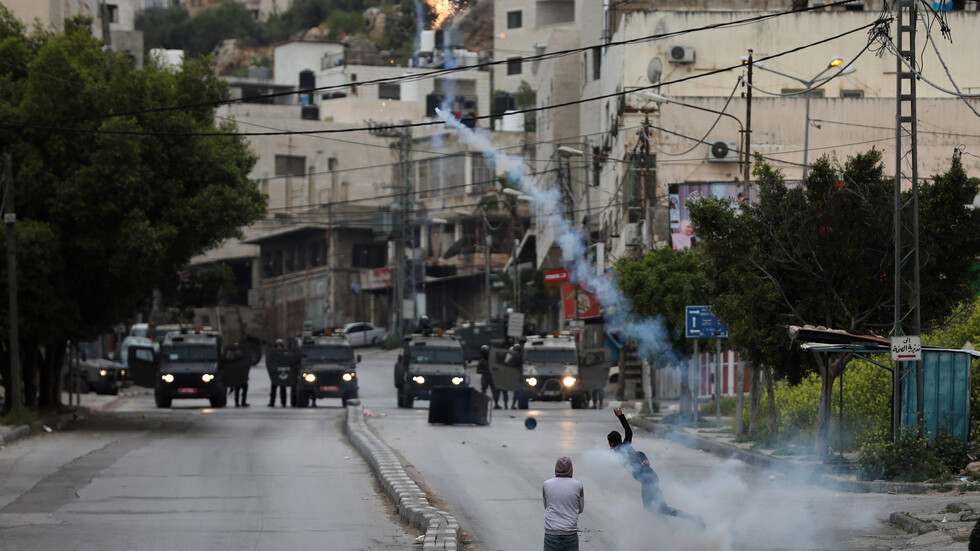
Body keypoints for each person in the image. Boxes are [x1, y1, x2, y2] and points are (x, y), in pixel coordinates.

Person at [608, 408, 704, 528]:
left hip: (648, 480)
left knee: (657, 507)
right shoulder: (624, 446)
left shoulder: (621, 452)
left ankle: (689, 521)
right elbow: (630, 434)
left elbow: (637, 454)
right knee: (661, 508)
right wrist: (620, 416)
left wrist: (643, 461)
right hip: (649, 478)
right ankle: (687, 521)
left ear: (611, 443)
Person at [542, 456, 584, 551]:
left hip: (551, 532)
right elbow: (580, 509)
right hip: (570, 532)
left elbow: (546, 505)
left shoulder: (546, 484)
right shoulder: (578, 485)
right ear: (571, 468)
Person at [268, 339, 289, 407]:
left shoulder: (285, 353)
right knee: (273, 388)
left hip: (283, 372)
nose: (279, 347)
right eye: (277, 346)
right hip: (275, 373)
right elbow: (270, 362)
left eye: (280, 346)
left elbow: (287, 361)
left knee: (283, 388)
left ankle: (283, 402)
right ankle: (272, 402)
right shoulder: (273, 353)